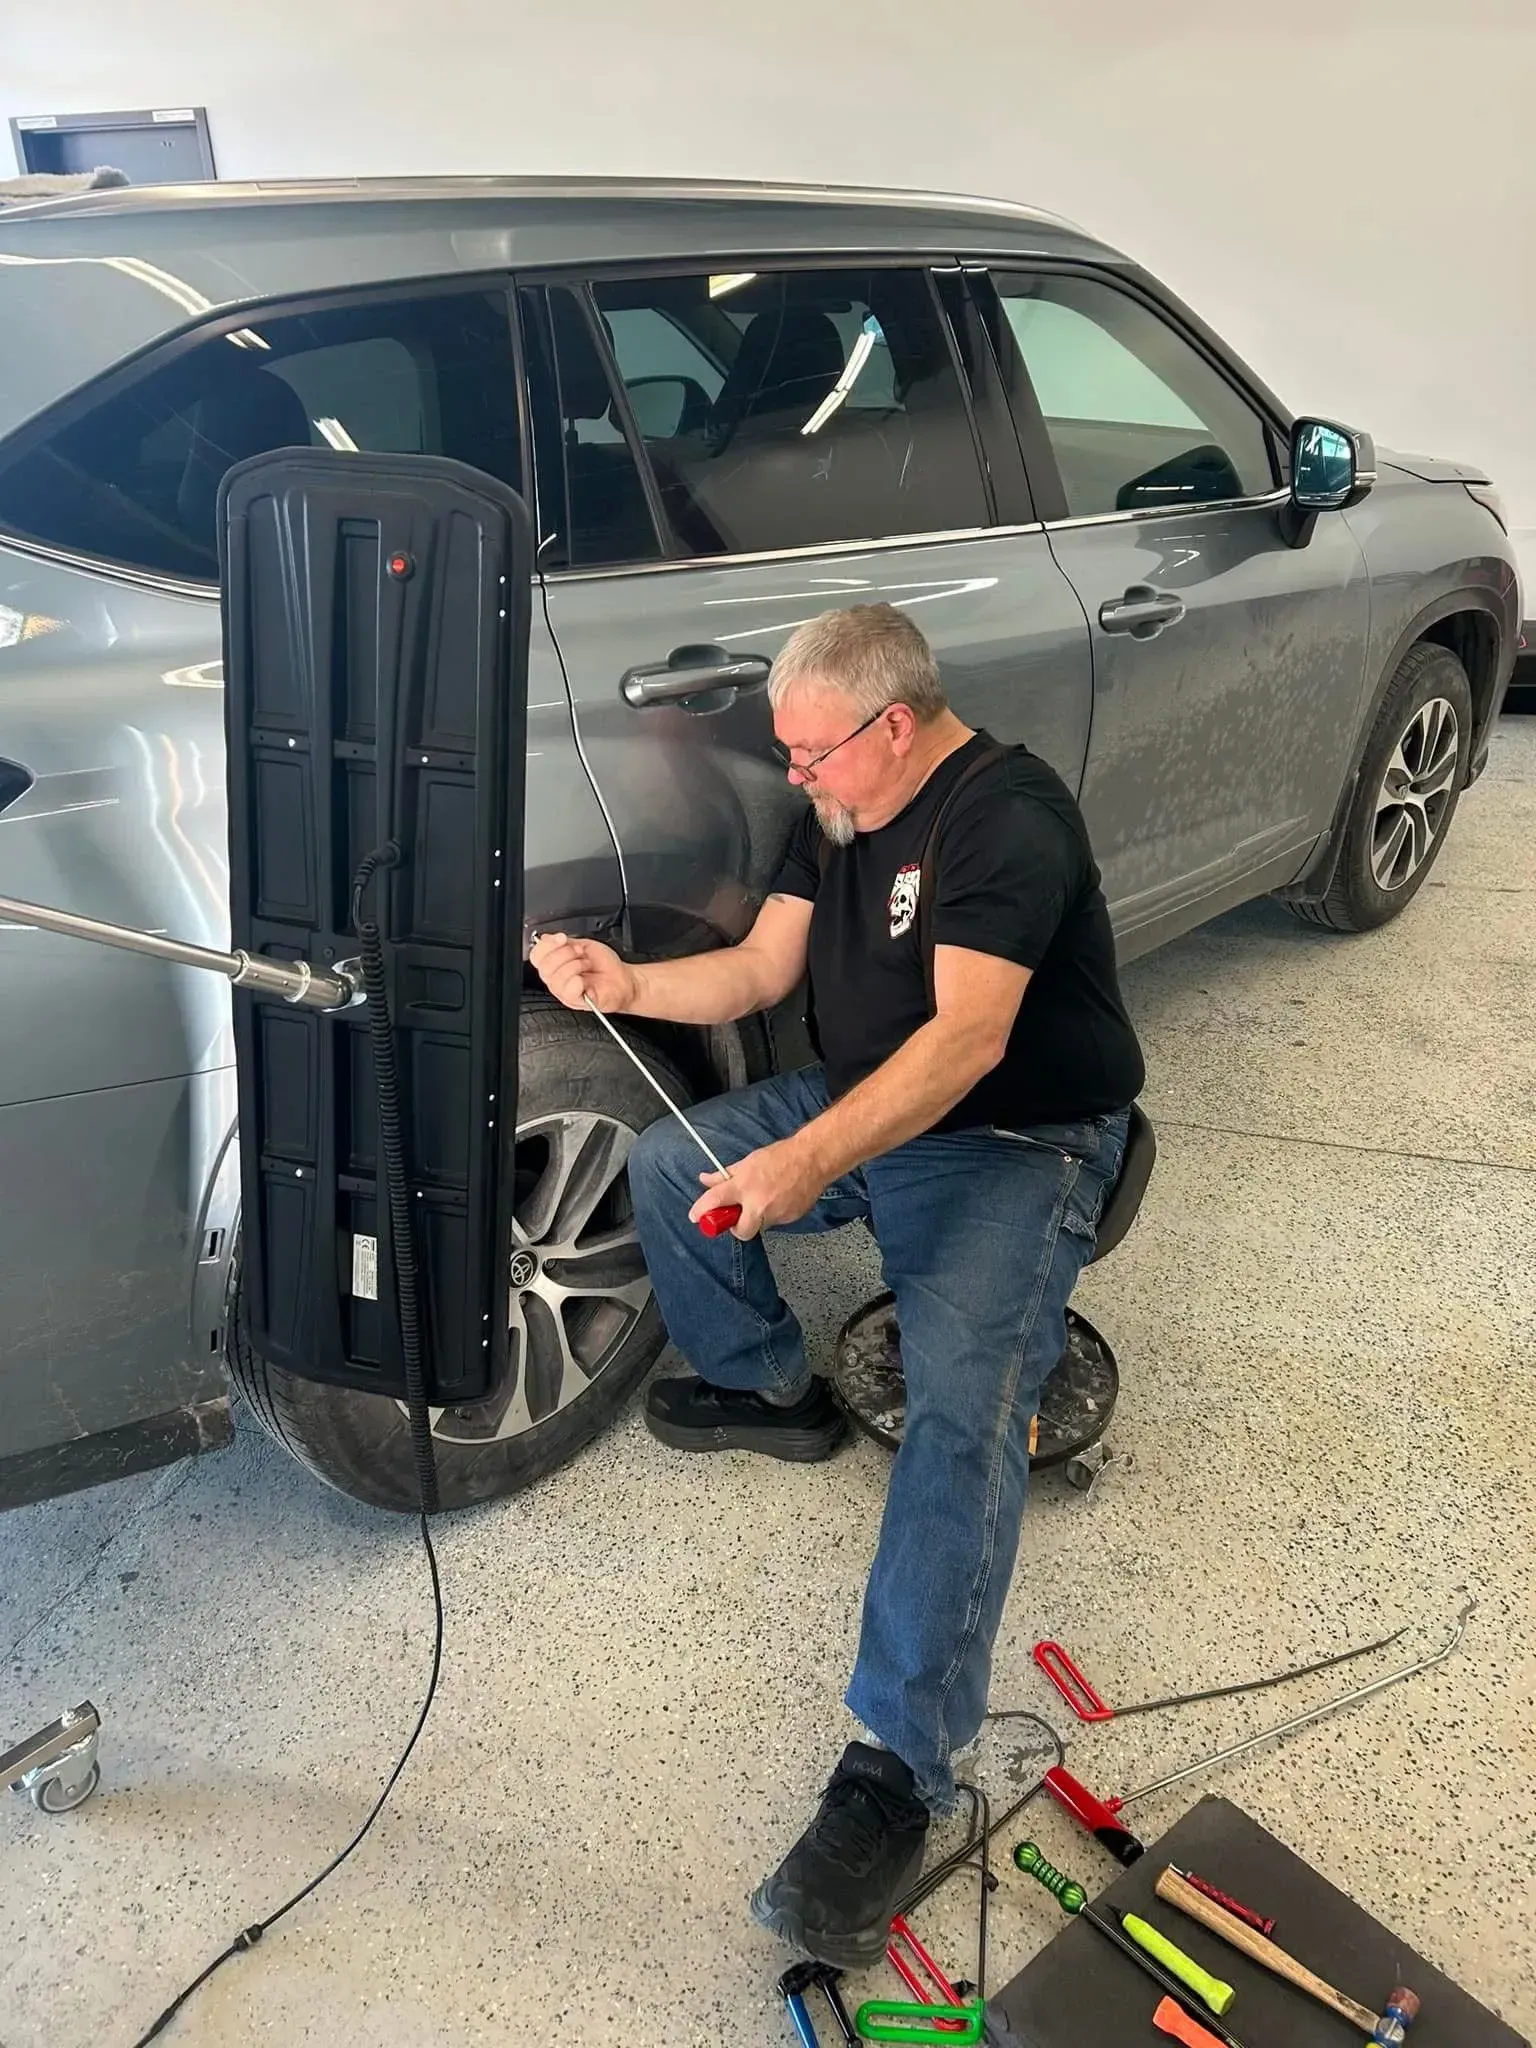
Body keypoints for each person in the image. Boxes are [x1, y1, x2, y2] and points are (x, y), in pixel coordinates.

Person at [530, 603, 1145, 1968]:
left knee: (963, 1415)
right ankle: (768, 1386)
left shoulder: (1007, 821)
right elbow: (761, 968)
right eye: (787, 755)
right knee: (665, 1172)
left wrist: (809, 1158)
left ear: (897, 722)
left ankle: (899, 1774)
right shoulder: (847, 811)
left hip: (1013, 1136)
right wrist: (621, 980)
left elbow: (970, 1044)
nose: (795, 780)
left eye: (812, 756)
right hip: (875, 1100)